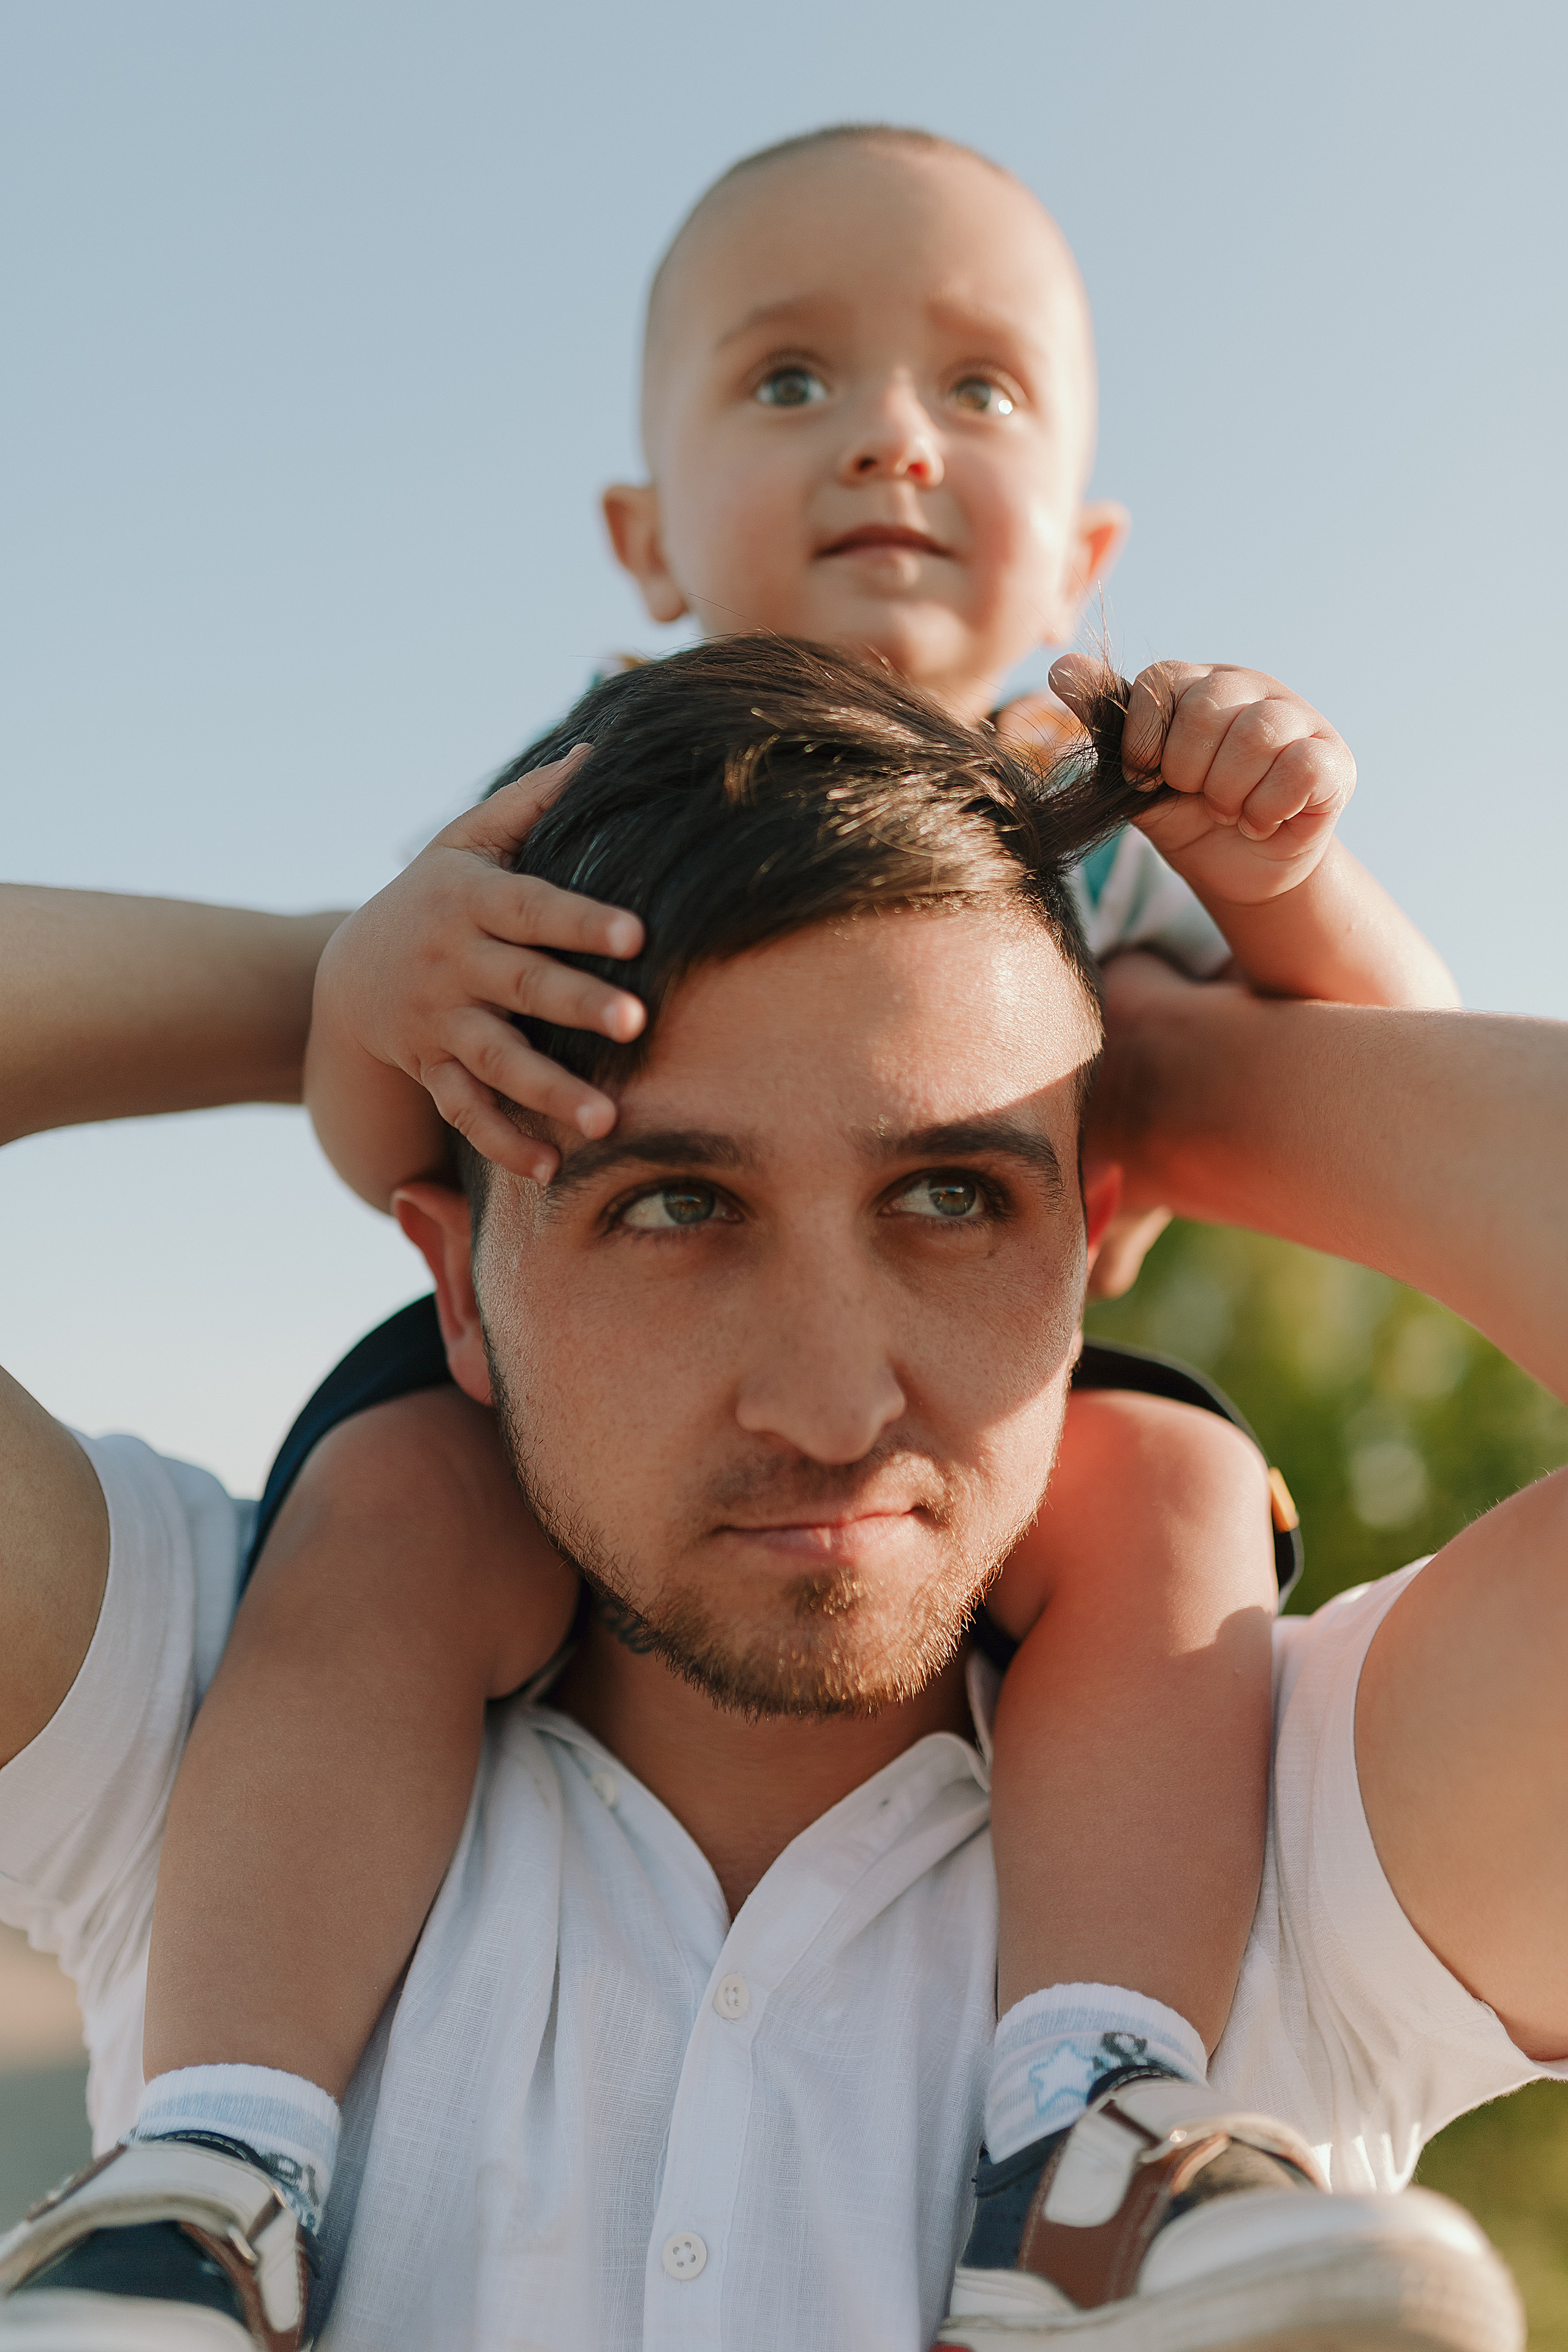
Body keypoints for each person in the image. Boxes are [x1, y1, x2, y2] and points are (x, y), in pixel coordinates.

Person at [79, 123, 1464, 2320]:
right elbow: (390, 1139)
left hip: (1008, 1396)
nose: (892, 441)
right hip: (534, 1396)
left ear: (1087, 546)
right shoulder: (602, 781)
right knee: (383, 1519)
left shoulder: (1104, 793)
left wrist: (1254, 902)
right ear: (645, 540)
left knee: (1176, 1485)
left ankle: (1094, 2118)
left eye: (979, 389)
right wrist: (362, 981)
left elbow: (1434, 1086)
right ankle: (211, 2161)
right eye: (791, 381)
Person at [0, 641, 1559, 2352]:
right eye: (675, 1206)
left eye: (958, 1193)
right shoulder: (204, 1727)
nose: (834, 1403)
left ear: (1084, 1239)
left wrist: (1164, 1069)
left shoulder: (1296, 1828)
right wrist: (340, 977)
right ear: (459, 1292)